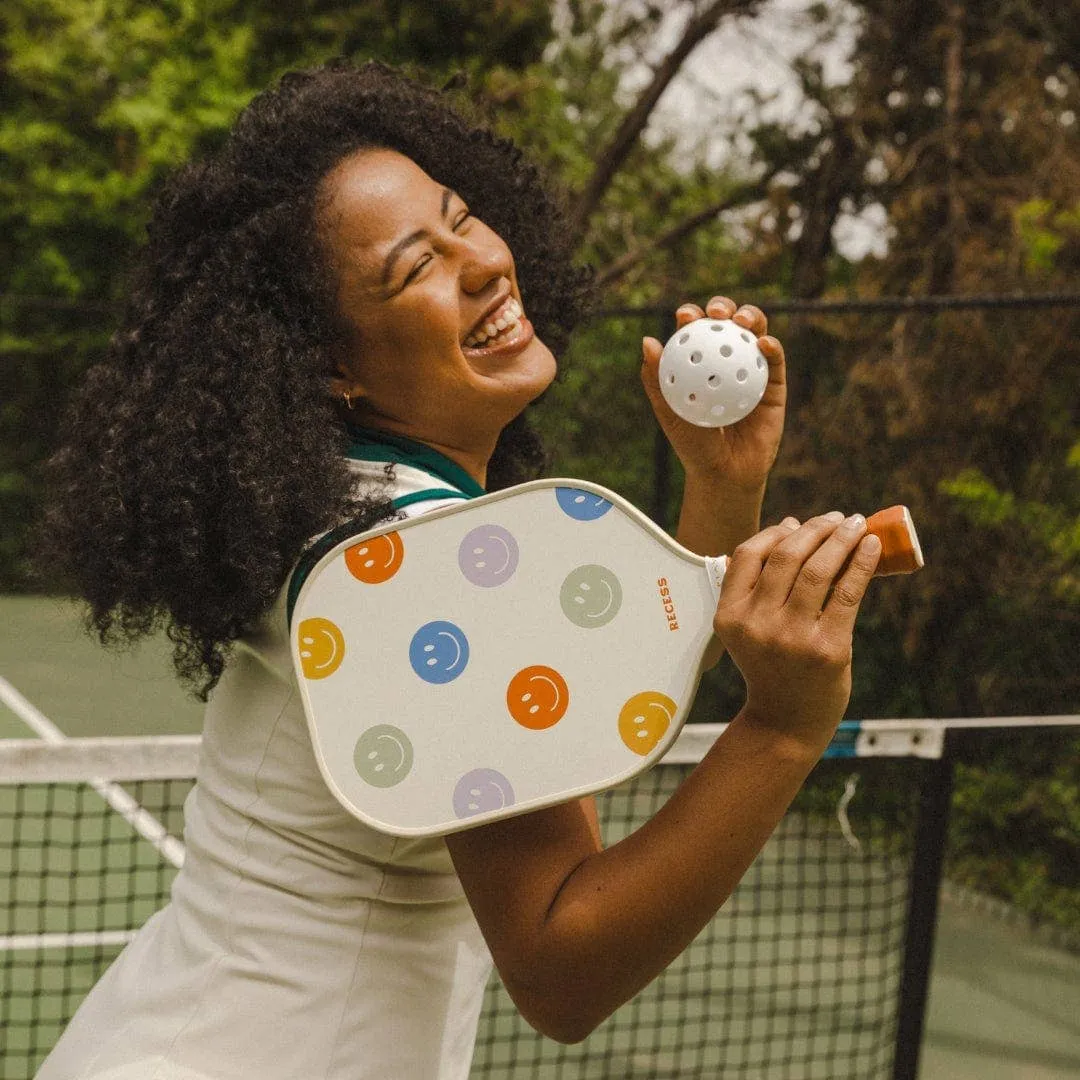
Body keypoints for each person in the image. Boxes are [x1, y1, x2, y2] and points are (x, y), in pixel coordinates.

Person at [35, 59, 882, 1080]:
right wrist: (782, 730)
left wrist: (720, 485)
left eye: (462, 217)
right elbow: (561, 969)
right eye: (412, 269)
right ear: (333, 367)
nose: (481, 263)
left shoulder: (361, 514)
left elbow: (592, 689)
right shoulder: (415, 570)